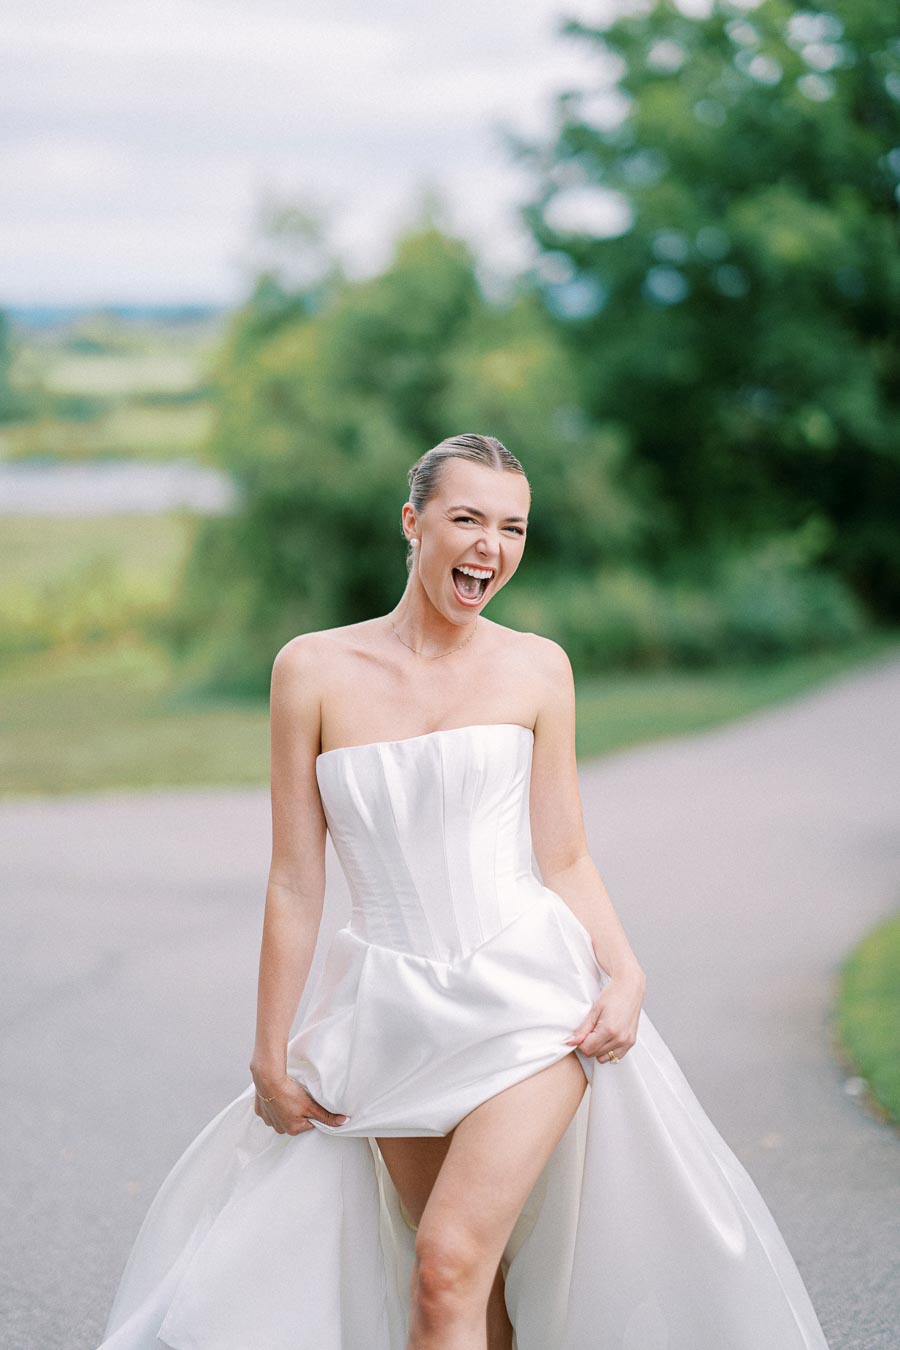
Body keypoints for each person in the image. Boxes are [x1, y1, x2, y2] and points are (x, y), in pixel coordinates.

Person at [97, 434, 831, 1350]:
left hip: (532, 998)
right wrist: (268, 1050)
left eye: (513, 527)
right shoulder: (311, 670)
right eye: (468, 519)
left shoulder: (537, 667)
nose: (491, 546)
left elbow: (563, 854)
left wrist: (627, 972)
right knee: (463, 1295)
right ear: (413, 524)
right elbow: (295, 880)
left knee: (446, 1258)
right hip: (392, 1014)